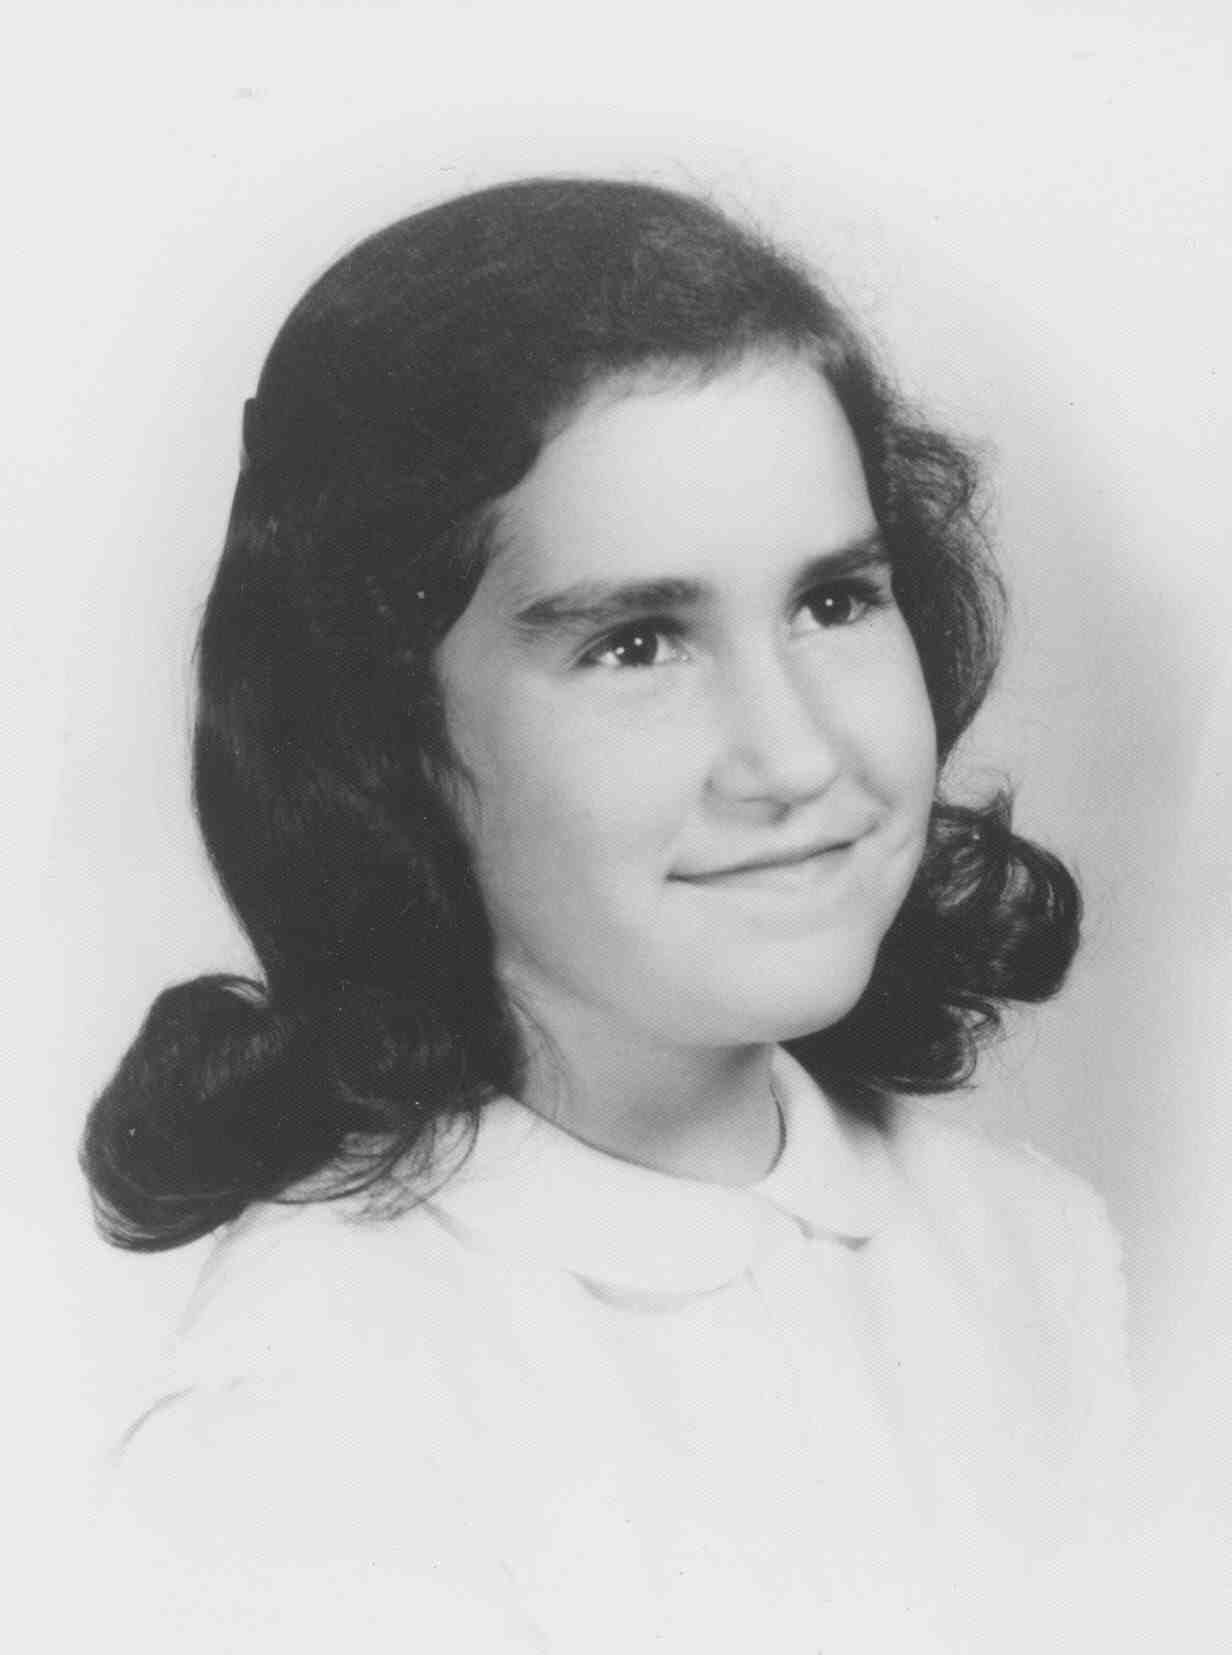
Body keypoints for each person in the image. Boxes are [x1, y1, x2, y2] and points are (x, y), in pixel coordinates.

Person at [82, 177, 1131, 1652]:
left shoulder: (1035, 1254)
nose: (795, 757)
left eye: (836, 601)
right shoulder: (300, 1438)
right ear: (387, 740)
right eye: (638, 643)